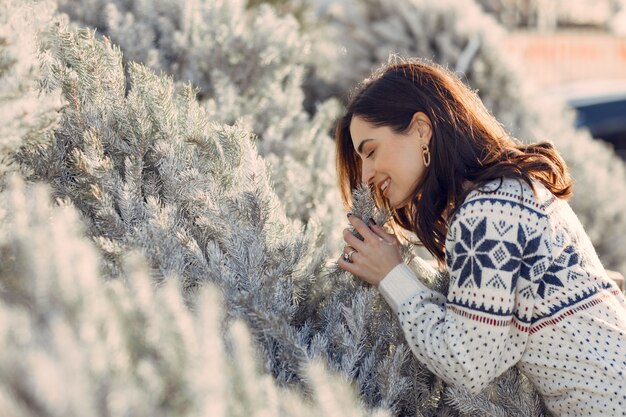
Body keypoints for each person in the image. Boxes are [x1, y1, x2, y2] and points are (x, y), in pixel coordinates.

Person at [335, 57, 626, 417]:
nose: (365, 176)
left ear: (421, 130)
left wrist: (392, 277)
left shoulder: (487, 213)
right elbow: (494, 334)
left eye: (371, 151)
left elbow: (468, 363)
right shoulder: (507, 192)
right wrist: (406, 267)